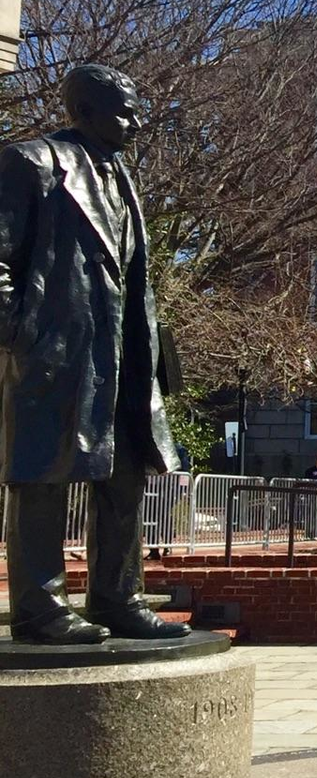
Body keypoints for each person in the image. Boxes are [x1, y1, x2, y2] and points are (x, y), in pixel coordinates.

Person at [0, 63, 188, 643]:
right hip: (57, 353)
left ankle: (118, 596)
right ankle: (40, 605)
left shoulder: (121, 174)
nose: (136, 122)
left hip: (125, 353)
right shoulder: (31, 162)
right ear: (83, 111)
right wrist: (22, 338)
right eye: (123, 111)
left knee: (128, 473)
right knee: (43, 477)